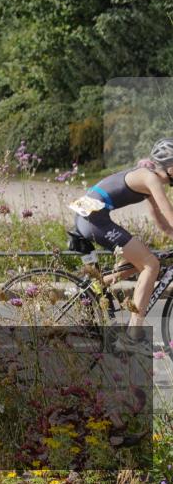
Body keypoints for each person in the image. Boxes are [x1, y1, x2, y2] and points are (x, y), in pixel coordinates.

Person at [72, 138, 173, 349]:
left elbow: (162, 222)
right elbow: (168, 212)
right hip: (93, 219)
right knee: (151, 264)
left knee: (142, 260)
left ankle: (97, 284)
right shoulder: (150, 178)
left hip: (90, 217)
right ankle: (133, 334)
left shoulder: (147, 177)